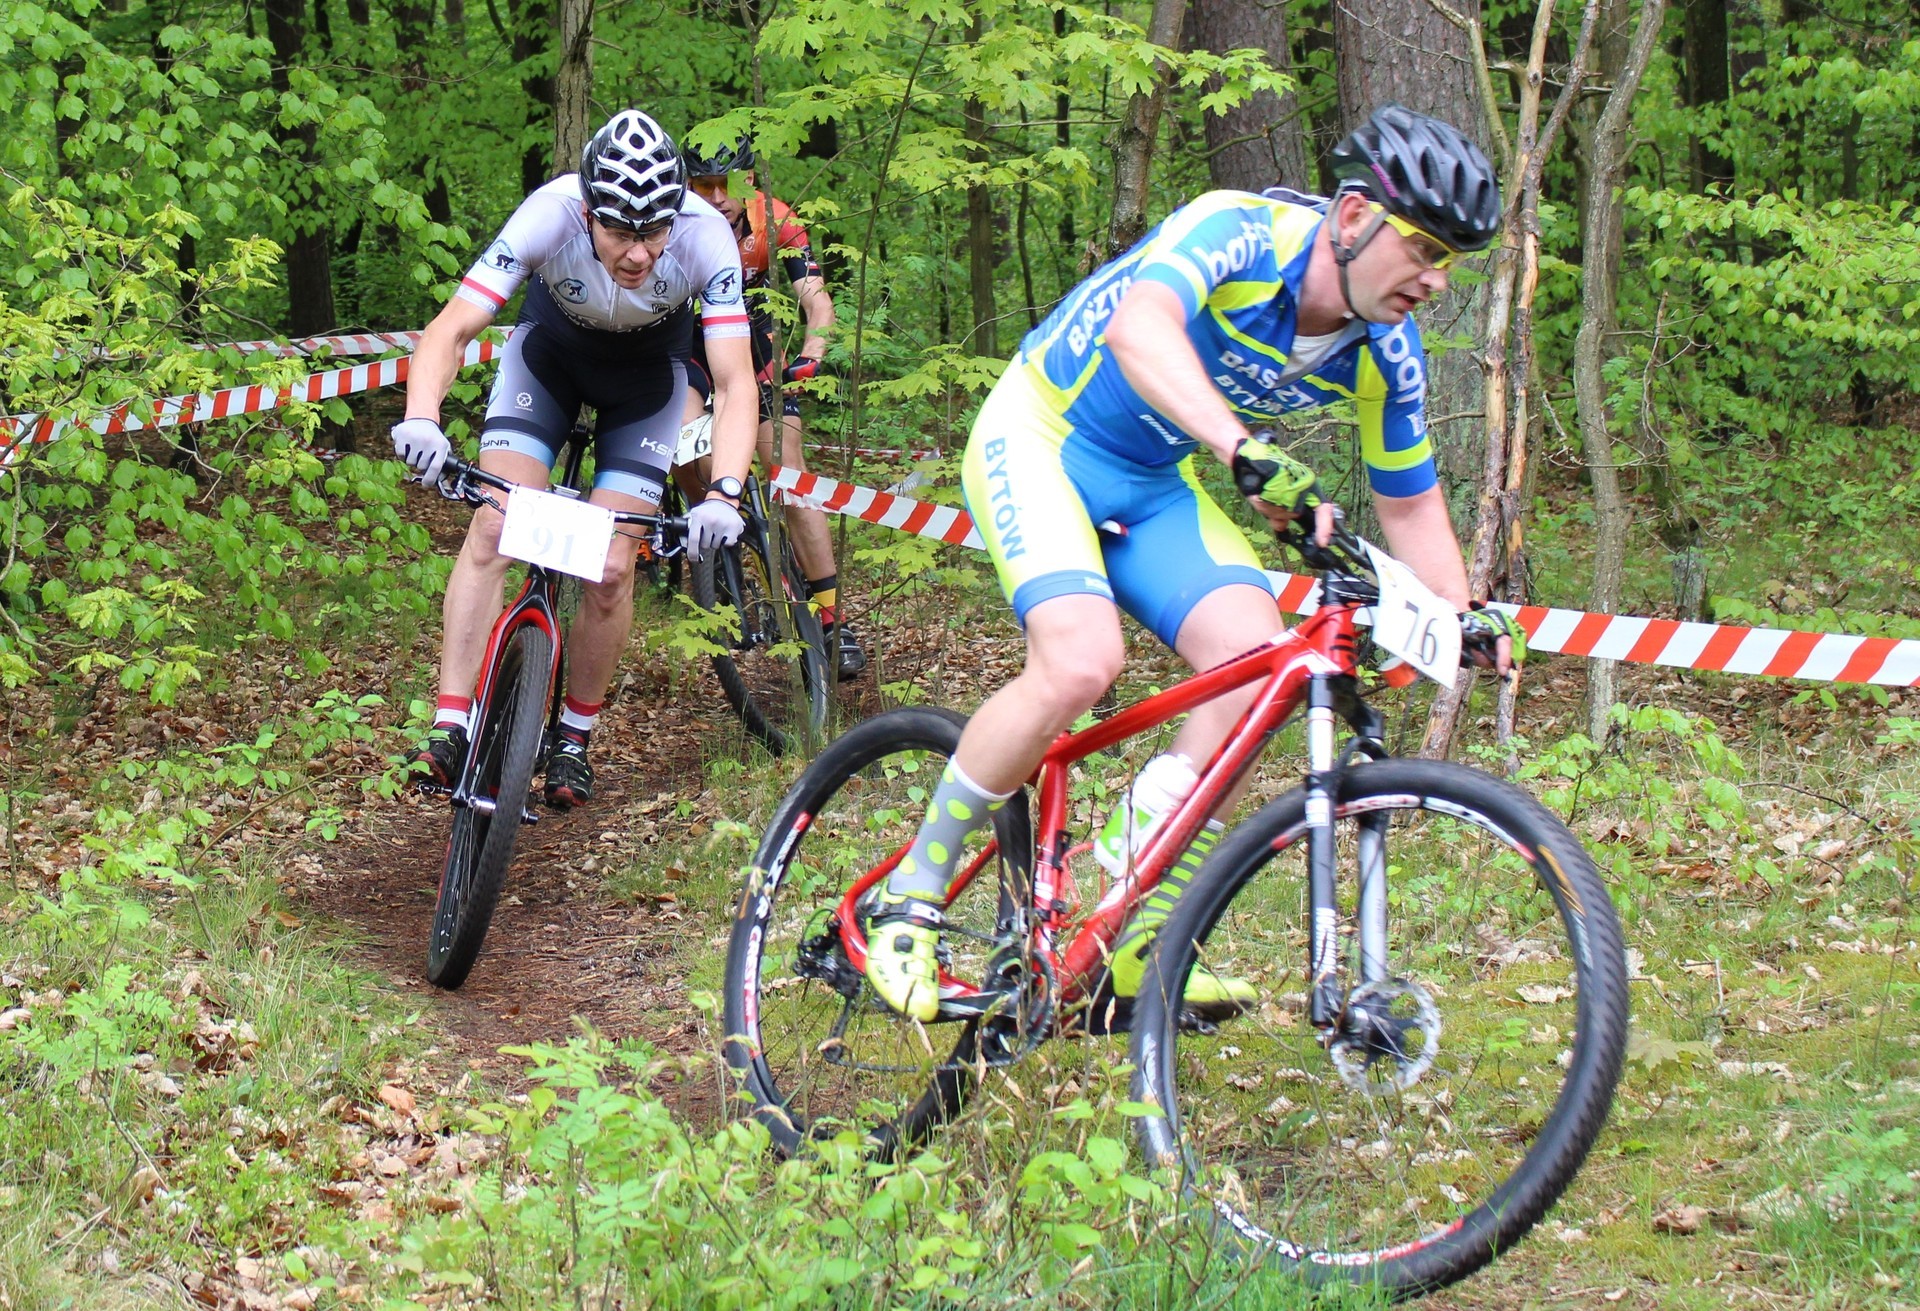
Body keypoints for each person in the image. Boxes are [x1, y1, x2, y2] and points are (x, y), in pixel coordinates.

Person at [861, 104, 1528, 1022]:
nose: (1437, 278)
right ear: (1352, 217)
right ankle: (911, 896)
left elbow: (1409, 503)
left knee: (1257, 674)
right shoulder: (1240, 231)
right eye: (1424, 248)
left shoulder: (1387, 351)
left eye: (1451, 259)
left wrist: (1459, 613)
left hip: (1150, 480)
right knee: (1080, 661)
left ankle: (1135, 926)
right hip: (1042, 432)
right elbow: (1139, 330)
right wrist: (1240, 447)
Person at [390, 109, 758, 809]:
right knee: (494, 524)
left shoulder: (707, 237)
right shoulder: (550, 213)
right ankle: (450, 724)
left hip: (646, 382)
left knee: (613, 566)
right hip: (550, 361)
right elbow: (451, 328)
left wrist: (725, 492)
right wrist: (422, 417)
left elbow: (736, 381)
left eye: (654, 231)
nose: (638, 254)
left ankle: (572, 738)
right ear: (588, 212)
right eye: (619, 231)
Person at [677, 133, 867, 680]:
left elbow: (816, 301)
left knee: (790, 475)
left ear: (749, 180)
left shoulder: (774, 218)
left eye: (727, 184)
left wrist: (812, 353)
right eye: (704, 185)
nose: (717, 197)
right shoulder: (673, 223)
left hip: (755, 347)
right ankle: (715, 549)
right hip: (688, 348)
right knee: (689, 448)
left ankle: (833, 619)